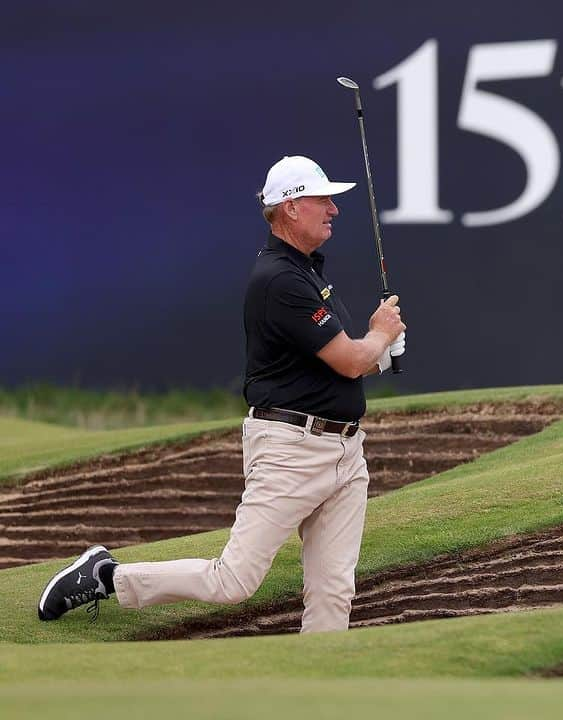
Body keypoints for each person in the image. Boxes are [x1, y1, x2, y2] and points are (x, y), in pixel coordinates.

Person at [38, 155, 406, 633]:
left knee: (334, 590)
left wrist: (382, 350)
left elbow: (341, 364)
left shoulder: (308, 273)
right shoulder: (280, 280)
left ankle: (319, 698)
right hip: (291, 452)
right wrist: (379, 334)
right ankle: (106, 577)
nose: (334, 209)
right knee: (233, 580)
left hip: (346, 453)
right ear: (291, 208)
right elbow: (350, 359)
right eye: (323, 199)